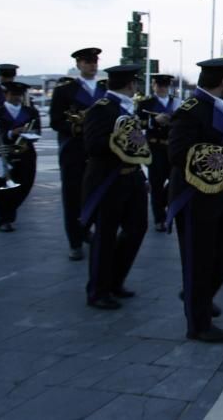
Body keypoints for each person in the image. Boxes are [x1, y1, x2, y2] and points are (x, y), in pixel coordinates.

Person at [166, 57, 223, 342]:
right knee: (198, 258)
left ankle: (199, 295)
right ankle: (197, 324)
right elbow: (177, 153)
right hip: (194, 195)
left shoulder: (218, 106)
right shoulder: (191, 110)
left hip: (220, 190)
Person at [80, 64, 150, 310]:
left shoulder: (129, 108)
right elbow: (93, 145)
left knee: (137, 229)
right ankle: (98, 290)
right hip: (108, 180)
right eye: (135, 83)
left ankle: (115, 280)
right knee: (105, 236)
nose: (136, 87)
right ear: (130, 84)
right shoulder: (102, 109)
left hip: (132, 178)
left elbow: (138, 144)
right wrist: (121, 140)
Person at [50, 48, 107, 261]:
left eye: (94, 61)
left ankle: (87, 230)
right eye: (87, 61)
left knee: (96, 193)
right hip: (75, 149)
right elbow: (56, 121)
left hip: (98, 150)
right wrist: (77, 126)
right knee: (73, 196)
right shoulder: (65, 90)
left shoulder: (104, 89)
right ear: (78, 64)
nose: (92, 65)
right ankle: (75, 241)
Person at [0, 81, 41, 231]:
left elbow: (37, 130)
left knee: (26, 183)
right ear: (6, 94)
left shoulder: (31, 111)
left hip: (26, 152)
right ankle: (5, 219)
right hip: (5, 152)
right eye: (13, 94)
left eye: (19, 95)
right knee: (5, 189)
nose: (17, 98)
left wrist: (30, 134)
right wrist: (11, 132)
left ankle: (9, 210)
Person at [137, 74, 179, 232]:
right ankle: (159, 218)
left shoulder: (176, 102)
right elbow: (138, 122)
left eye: (165, 85)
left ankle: (162, 202)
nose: (161, 88)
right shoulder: (145, 103)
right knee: (156, 182)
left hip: (172, 147)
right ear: (153, 85)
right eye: (158, 85)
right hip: (155, 147)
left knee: (174, 180)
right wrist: (153, 121)